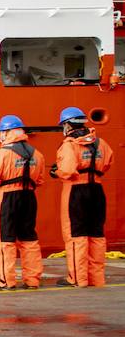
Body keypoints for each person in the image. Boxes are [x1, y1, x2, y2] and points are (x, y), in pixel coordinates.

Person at [52, 106, 114, 287]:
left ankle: (78, 278)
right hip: (97, 190)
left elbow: (68, 170)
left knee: (76, 235)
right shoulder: (101, 143)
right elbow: (107, 162)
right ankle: (97, 278)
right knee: (96, 235)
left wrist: (57, 172)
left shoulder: (70, 145)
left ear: (68, 125)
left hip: (76, 191)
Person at [0, 115, 45, 290]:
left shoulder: (1, 154)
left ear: (6, 133)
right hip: (29, 197)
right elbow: (40, 180)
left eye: (1, 132)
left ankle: (6, 281)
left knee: (6, 241)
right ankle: (32, 280)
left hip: (8, 198)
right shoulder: (37, 154)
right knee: (29, 239)